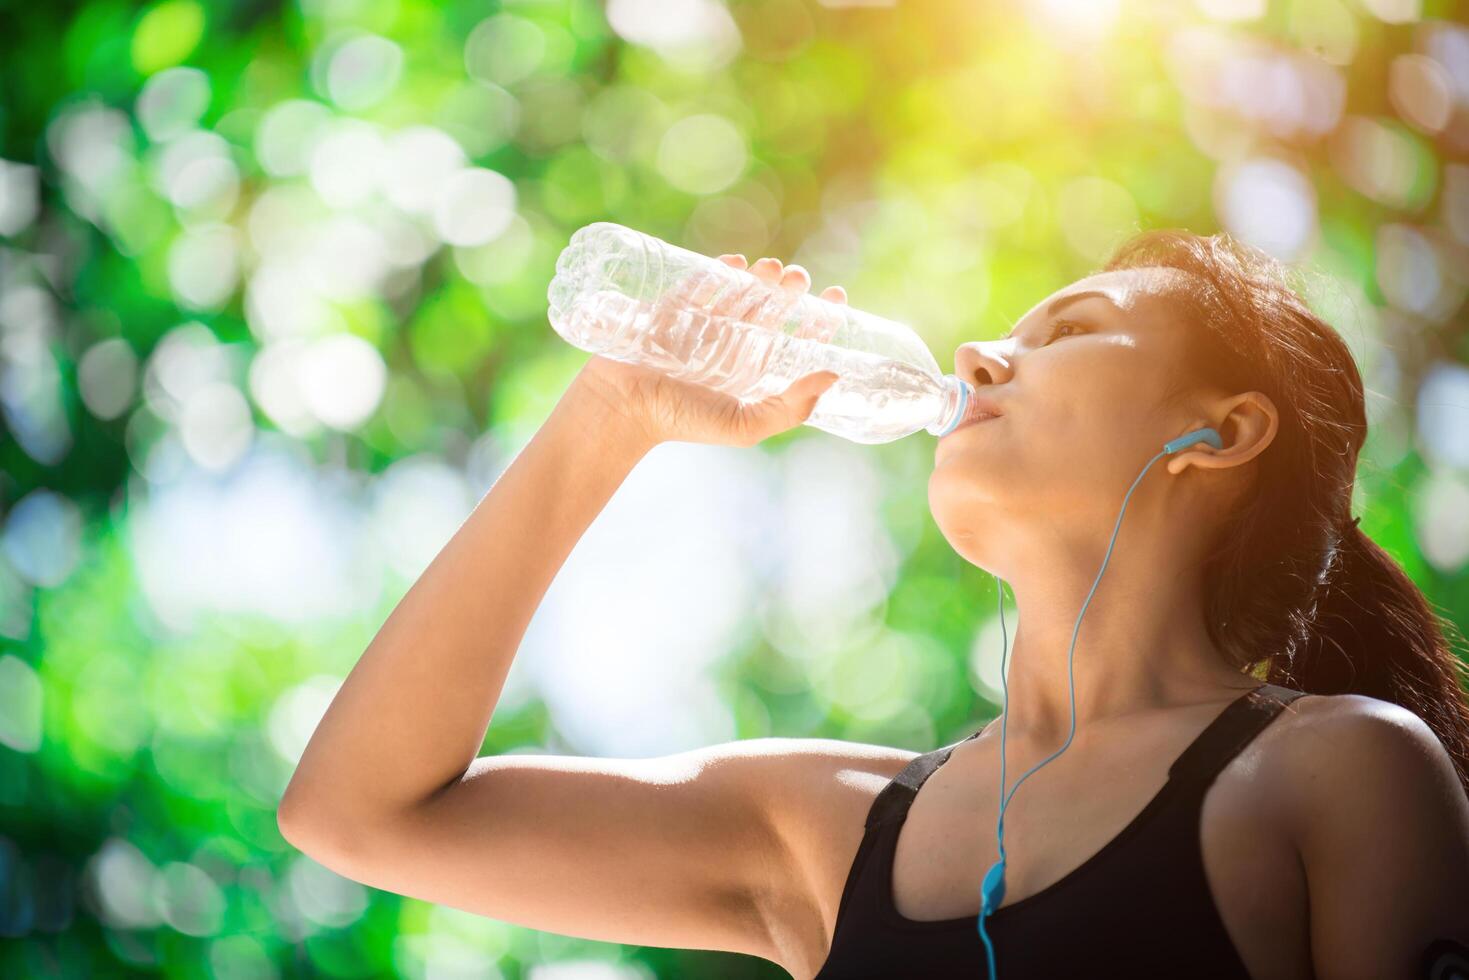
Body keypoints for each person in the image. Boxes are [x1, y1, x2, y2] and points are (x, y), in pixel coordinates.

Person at [278, 230, 1469, 979]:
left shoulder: (1336, 770)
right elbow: (357, 813)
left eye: (1068, 332)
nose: (979, 357)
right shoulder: (833, 829)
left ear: (1223, 432)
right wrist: (610, 417)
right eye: (1002, 332)